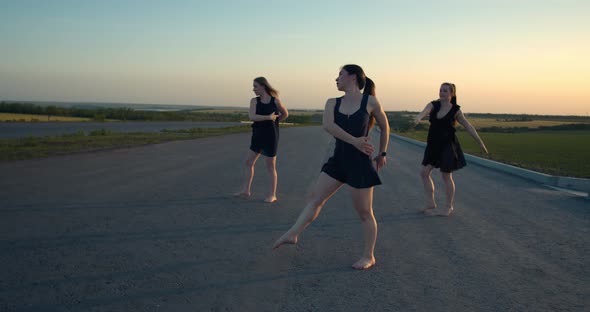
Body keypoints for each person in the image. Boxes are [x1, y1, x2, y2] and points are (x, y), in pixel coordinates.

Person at [272, 65, 390, 270]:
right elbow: (328, 126)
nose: (336, 79)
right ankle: (293, 233)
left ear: (352, 77)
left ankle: (369, 256)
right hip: (338, 160)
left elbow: (385, 125)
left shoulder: (369, 101)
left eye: (340, 75)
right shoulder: (332, 102)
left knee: (364, 212)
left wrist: (382, 153)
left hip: (360, 163)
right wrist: (354, 141)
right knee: (315, 198)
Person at [413, 82, 488, 216]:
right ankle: (430, 203)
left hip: (447, 145)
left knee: (446, 175)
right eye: (440, 90)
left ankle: (449, 206)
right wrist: (418, 117)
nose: (442, 92)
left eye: (445, 91)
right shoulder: (433, 105)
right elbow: (424, 112)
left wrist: (480, 142)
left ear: (451, 94)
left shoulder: (456, 110)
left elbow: (468, 126)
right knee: (424, 172)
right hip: (433, 145)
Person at [235, 77, 289, 203]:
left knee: (270, 166)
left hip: (271, 136)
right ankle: (246, 190)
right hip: (257, 135)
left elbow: (285, 114)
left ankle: (272, 195)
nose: (253, 89)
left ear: (263, 86)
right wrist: (268, 118)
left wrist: (275, 121)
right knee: (249, 162)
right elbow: (252, 116)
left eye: (255, 86)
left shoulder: (275, 101)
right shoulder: (254, 101)